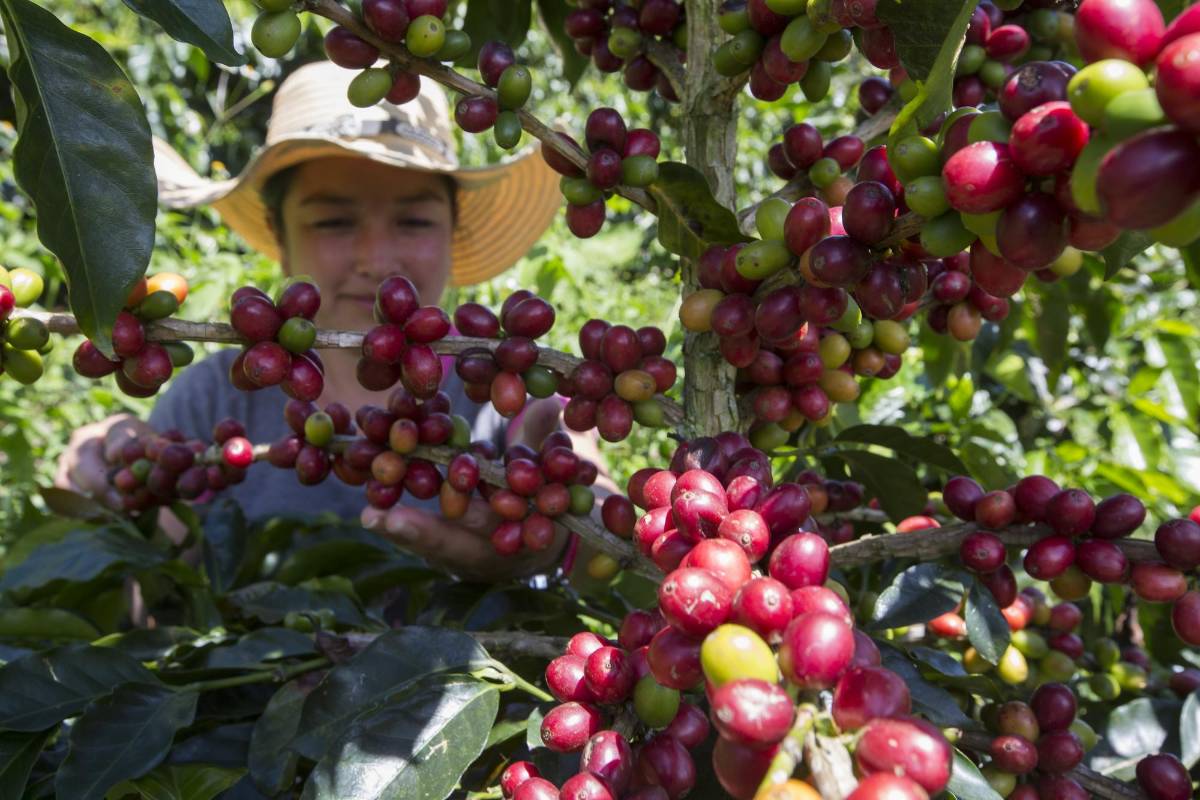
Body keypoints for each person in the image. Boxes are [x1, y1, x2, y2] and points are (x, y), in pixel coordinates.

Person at [56, 61, 611, 581]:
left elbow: (606, 539)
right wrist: (122, 495)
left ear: (452, 229)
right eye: (334, 222)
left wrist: (562, 539)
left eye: (414, 220)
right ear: (279, 233)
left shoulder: (503, 397)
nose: (376, 260)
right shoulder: (213, 402)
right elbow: (164, 591)